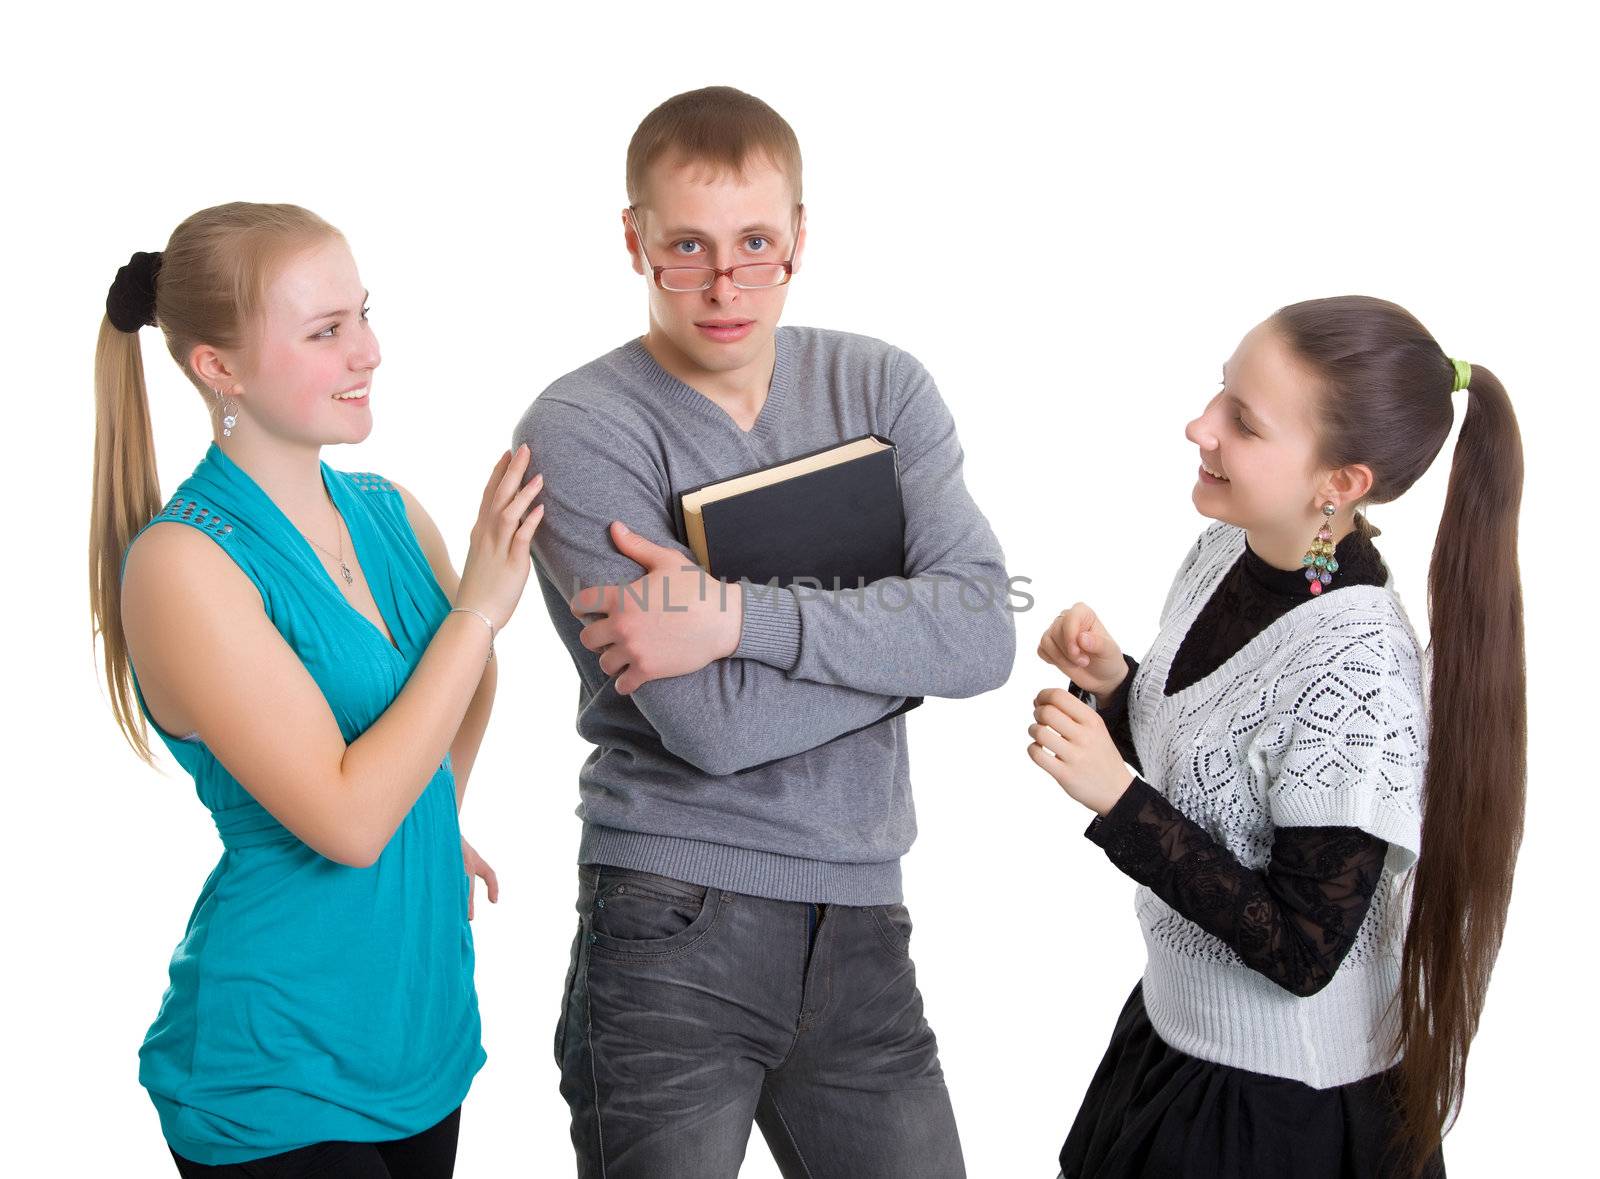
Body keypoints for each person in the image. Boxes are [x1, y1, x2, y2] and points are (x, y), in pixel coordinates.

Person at [513, 86, 1016, 1177]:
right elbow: (709, 724)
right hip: (669, 925)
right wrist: (898, 646)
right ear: (633, 241)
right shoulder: (582, 427)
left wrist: (734, 614)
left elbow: (980, 633)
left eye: (755, 243)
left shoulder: (881, 386)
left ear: (800, 238)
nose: (725, 284)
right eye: (686, 246)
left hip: (863, 918)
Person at [91, 202, 546, 1176]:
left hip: (416, 1026)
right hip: (277, 1067)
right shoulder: (183, 565)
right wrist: (479, 609)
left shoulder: (389, 511)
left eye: (364, 316)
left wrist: (432, 810)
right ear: (220, 368)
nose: (368, 352)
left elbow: (454, 700)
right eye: (325, 331)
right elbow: (346, 822)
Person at [1027, 296, 1525, 1178]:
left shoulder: (1361, 674)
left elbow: (1302, 951)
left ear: (1342, 484)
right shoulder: (1230, 550)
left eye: (1243, 423)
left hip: (1280, 1108)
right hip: (1175, 1039)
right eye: (1220, 391)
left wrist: (1118, 798)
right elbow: (1225, 776)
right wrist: (1119, 688)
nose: (1199, 425)